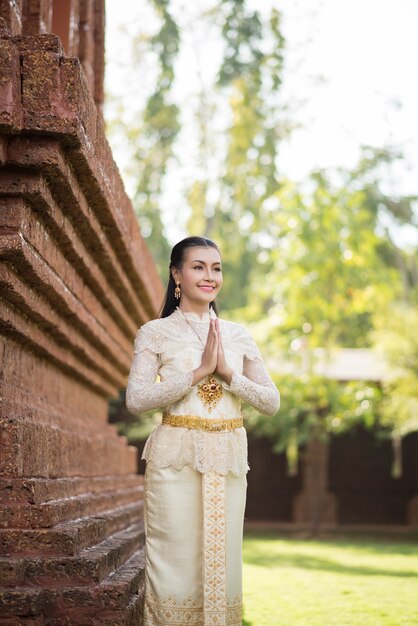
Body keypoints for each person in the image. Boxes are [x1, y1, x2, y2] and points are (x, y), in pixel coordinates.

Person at [125, 235, 280, 626]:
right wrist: (197, 374)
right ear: (177, 274)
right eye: (198, 267)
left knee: (222, 562)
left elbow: (271, 402)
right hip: (175, 459)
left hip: (226, 462)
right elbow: (137, 399)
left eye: (216, 268)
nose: (209, 276)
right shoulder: (155, 332)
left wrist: (227, 373)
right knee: (174, 561)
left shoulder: (239, 335)